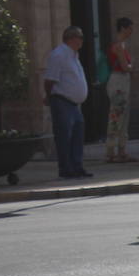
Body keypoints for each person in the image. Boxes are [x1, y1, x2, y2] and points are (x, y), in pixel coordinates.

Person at [43, 26, 91, 179]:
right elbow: (50, 80)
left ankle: (77, 166)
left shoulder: (74, 56)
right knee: (64, 136)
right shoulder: (59, 55)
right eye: (80, 37)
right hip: (62, 101)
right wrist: (49, 97)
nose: (82, 40)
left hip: (74, 104)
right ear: (71, 38)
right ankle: (66, 168)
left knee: (77, 136)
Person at [104, 17, 138, 163]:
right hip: (118, 81)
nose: (132, 31)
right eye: (130, 28)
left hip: (123, 81)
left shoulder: (122, 45)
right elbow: (125, 67)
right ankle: (111, 152)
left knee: (123, 116)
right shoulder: (118, 46)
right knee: (116, 116)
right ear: (123, 28)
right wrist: (132, 66)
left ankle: (122, 151)